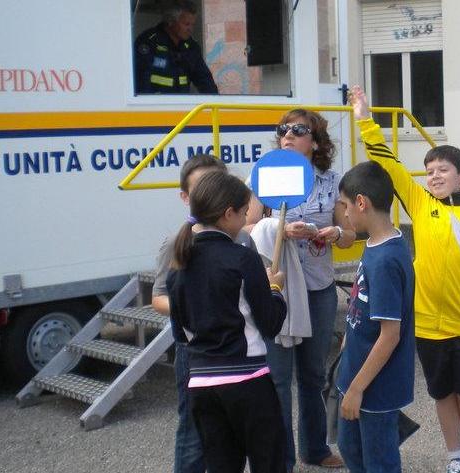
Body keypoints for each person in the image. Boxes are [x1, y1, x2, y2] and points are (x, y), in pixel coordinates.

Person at [351, 86, 460, 473]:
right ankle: (455, 454)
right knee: (440, 392)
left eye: (443, 171)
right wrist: (365, 120)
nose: (434, 176)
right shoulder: (420, 204)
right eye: (430, 170)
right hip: (427, 326)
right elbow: (389, 165)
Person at [246, 109, 357, 471]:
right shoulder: (263, 176)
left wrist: (334, 233)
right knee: (277, 379)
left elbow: (350, 234)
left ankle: (315, 449)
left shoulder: (331, 181)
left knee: (312, 375)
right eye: (282, 129)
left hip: (319, 287)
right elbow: (244, 229)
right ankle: (281, 460)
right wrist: (276, 229)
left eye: (298, 129)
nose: (288, 135)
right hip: (277, 287)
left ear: (316, 141)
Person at [167, 171, 287, 472]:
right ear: (228, 213)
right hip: (248, 382)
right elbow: (270, 324)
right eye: (245, 213)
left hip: (202, 385)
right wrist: (275, 290)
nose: (247, 219)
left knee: (221, 466)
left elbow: (180, 334)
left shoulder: (179, 261)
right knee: (269, 463)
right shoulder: (241, 258)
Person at [152, 154, 252, 473]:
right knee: (194, 431)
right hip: (194, 351)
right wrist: (199, 308)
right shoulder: (178, 242)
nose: (212, 193)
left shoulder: (243, 238)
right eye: (201, 188)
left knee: (235, 428)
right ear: (185, 197)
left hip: (238, 349)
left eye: (218, 185)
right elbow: (158, 297)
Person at [334, 161, 416, 473]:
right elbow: (363, 302)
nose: (343, 213)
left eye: (344, 205)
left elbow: (390, 335)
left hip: (375, 387)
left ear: (361, 203)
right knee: (350, 448)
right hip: (357, 371)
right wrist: (347, 339)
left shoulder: (386, 260)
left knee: (379, 460)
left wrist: (356, 389)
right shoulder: (376, 243)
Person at [134, 1, 218, 94]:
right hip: (153, 106)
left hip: (181, 106)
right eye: (186, 24)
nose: (190, 29)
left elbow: (204, 80)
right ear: (171, 21)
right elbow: (140, 79)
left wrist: (215, 103)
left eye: (192, 24)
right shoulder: (149, 41)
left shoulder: (191, 47)